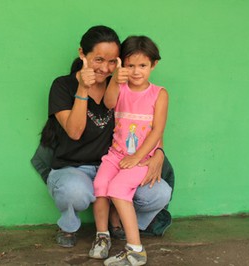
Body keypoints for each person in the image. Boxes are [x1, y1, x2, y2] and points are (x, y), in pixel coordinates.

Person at [31, 25, 172, 249]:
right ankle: (69, 226)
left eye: (112, 61)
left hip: (117, 164)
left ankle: (118, 219)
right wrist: (83, 88)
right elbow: (75, 131)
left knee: (160, 193)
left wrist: (159, 154)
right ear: (82, 55)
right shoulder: (62, 86)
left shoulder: (120, 84)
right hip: (74, 168)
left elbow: (147, 121)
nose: (105, 68)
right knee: (76, 192)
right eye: (98, 60)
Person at [89, 35, 168, 266]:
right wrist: (115, 79)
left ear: (153, 65)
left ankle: (135, 250)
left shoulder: (159, 94)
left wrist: (137, 157)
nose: (136, 71)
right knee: (100, 185)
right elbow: (109, 103)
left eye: (142, 65)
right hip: (115, 154)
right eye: (130, 65)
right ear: (122, 64)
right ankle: (102, 237)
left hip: (142, 159)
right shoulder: (121, 87)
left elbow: (157, 130)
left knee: (118, 188)